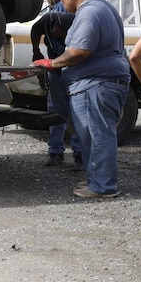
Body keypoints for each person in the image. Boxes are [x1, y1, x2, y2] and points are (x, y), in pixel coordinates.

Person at [33, 0, 129, 198]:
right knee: (94, 135)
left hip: (95, 84)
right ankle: (98, 181)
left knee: (96, 136)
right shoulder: (103, 7)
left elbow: (79, 51)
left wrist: (52, 63)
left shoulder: (89, 12)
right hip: (101, 81)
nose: (61, 3)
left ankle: (102, 186)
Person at [30, 10, 81, 168]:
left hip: (75, 72)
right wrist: (36, 50)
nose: (54, 31)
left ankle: (80, 155)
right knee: (56, 110)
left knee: (77, 112)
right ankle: (55, 152)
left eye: (59, 30)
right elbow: (35, 30)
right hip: (56, 72)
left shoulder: (78, 31)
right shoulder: (48, 20)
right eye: (55, 26)